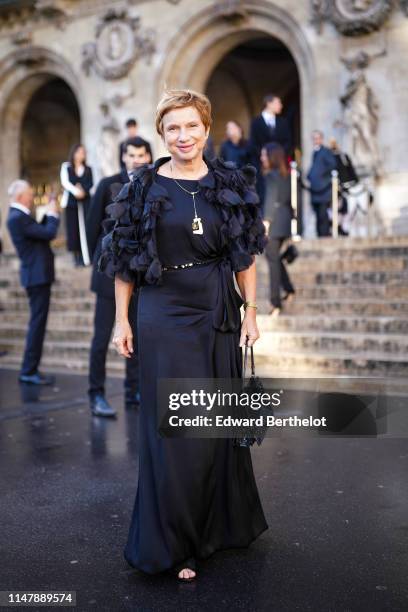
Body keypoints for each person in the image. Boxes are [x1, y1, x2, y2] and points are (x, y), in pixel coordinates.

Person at [99, 89, 268, 581]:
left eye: (191, 126)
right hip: (163, 310)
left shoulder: (228, 182)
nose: (183, 135)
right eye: (173, 128)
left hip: (217, 308)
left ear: (206, 128)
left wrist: (251, 311)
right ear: (161, 134)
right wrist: (121, 319)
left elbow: (245, 254)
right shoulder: (141, 187)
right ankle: (176, 542)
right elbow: (124, 262)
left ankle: (217, 528)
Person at [86, 137, 152, 418]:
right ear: (123, 157)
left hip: (138, 274)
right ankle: (96, 395)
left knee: (134, 335)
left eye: (141, 154)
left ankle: (133, 391)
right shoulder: (107, 184)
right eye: (131, 154)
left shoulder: (152, 185)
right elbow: (91, 228)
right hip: (107, 275)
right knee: (102, 337)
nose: (136, 159)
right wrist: (101, 263)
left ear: (149, 156)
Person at [6, 180, 59, 385]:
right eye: (29, 194)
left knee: (38, 324)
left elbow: (39, 232)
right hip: (36, 276)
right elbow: (48, 233)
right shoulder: (17, 217)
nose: (32, 197)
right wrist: (53, 214)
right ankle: (28, 371)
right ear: (20, 197)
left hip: (38, 275)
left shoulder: (20, 216)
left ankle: (31, 369)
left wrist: (48, 214)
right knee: (37, 325)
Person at [261, 143, 295, 316]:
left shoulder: (271, 176)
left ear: (271, 157)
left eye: (264, 155)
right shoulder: (286, 175)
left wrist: (266, 222)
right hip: (284, 221)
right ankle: (289, 289)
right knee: (275, 258)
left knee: (272, 261)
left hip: (273, 222)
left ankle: (275, 303)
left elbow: (270, 199)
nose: (262, 158)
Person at [249, 94, 292, 206]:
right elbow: (253, 144)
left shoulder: (283, 122)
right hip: (261, 166)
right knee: (263, 195)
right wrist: (265, 157)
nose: (281, 106)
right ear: (269, 103)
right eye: (278, 103)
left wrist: (279, 156)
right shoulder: (256, 122)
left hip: (279, 167)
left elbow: (288, 142)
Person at [60, 144, 93, 266]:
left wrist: (83, 191)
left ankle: (87, 257)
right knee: (73, 230)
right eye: (79, 152)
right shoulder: (66, 167)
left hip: (85, 202)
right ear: (73, 153)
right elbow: (65, 182)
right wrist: (76, 191)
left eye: (83, 152)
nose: (81, 155)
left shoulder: (88, 169)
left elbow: (90, 183)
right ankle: (76, 257)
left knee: (85, 229)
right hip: (71, 203)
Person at [307, 130, 337, 237]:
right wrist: (310, 175)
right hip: (315, 190)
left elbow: (332, 165)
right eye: (314, 138)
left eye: (317, 138)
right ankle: (320, 234)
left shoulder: (326, 151)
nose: (316, 140)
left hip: (323, 190)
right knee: (318, 214)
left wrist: (322, 177)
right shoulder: (314, 152)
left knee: (323, 215)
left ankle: (324, 235)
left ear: (321, 139)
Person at [329, 138, 359, 236]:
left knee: (347, 210)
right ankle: (338, 228)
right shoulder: (328, 157)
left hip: (346, 187)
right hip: (334, 189)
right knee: (336, 210)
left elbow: (351, 171)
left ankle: (344, 228)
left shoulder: (343, 156)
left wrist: (354, 182)